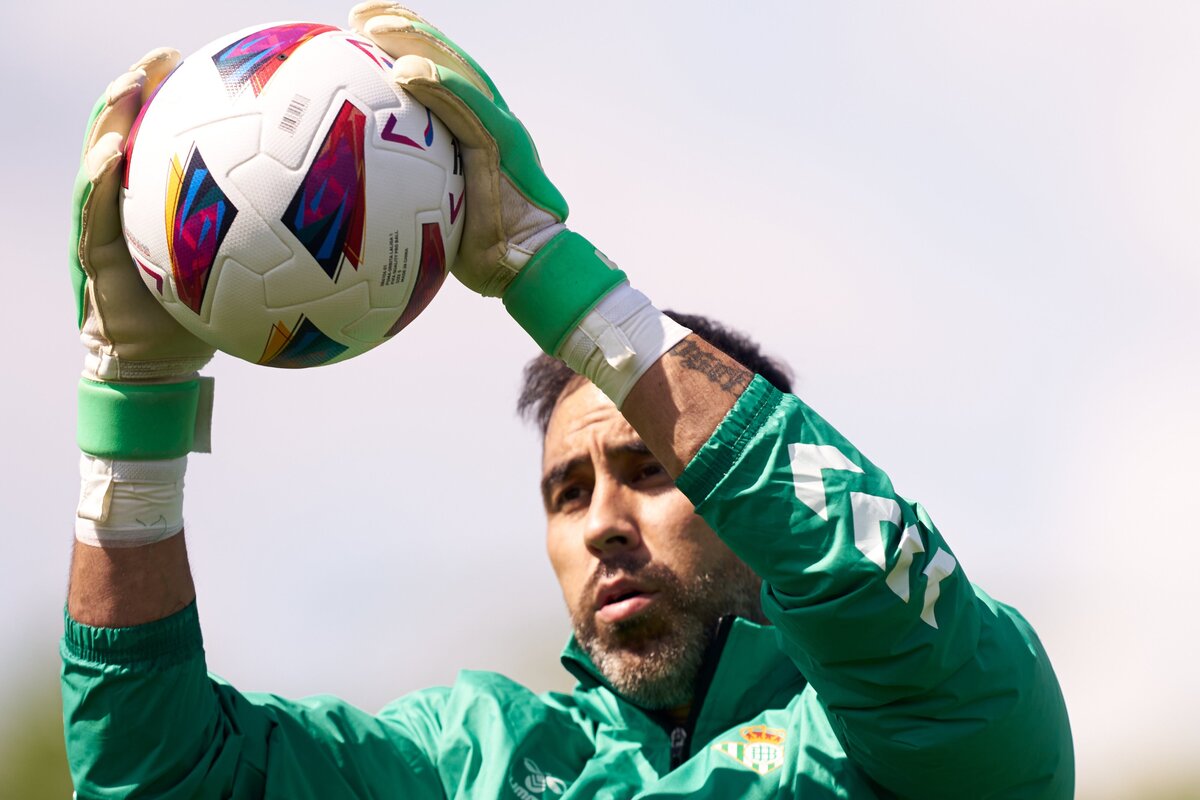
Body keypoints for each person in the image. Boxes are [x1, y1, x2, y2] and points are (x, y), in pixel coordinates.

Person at [62, 4, 1074, 798]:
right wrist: (133, 415)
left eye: (648, 471)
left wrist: (554, 277)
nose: (602, 524)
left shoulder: (922, 732)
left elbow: (872, 581)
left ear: (749, 495)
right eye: (565, 491)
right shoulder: (472, 763)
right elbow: (160, 778)